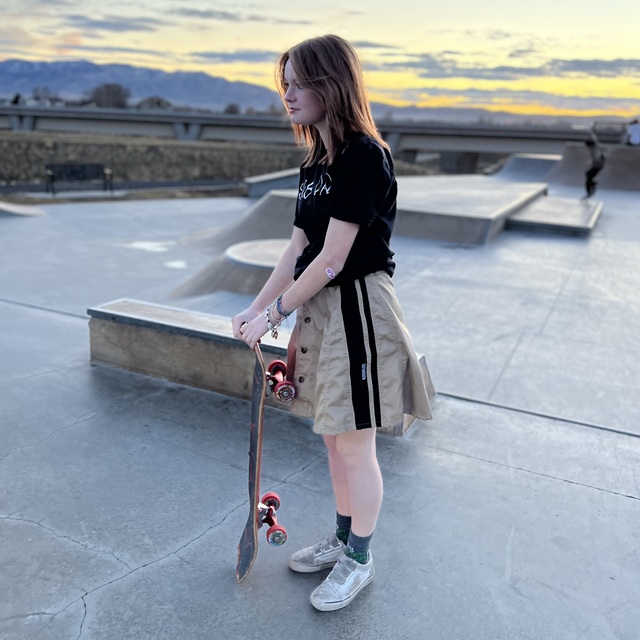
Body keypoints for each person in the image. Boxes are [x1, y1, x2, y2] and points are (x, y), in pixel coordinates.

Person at [231, 34, 432, 611]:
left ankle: (359, 559)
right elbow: (297, 250)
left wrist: (274, 315)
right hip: (320, 311)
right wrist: (255, 308)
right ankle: (343, 539)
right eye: (285, 84)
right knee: (332, 438)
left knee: (355, 443)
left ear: (331, 84)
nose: (288, 95)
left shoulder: (364, 155)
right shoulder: (315, 163)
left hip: (359, 310)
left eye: (300, 84)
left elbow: (333, 258)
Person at [584, 131, 606, 198]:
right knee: (588, 175)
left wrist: (591, 133)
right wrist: (591, 133)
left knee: (588, 177)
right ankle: (593, 185)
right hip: (597, 165)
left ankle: (592, 188)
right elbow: (594, 139)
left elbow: (595, 140)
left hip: (597, 165)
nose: (588, 148)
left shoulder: (595, 148)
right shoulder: (594, 147)